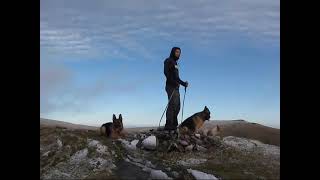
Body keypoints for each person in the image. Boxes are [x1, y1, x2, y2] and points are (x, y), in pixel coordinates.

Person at [163, 47, 188, 131]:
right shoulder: (168, 60)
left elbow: (177, 78)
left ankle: (174, 123)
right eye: (177, 52)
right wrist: (173, 82)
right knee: (172, 105)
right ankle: (169, 124)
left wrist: (183, 83)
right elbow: (166, 72)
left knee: (177, 106)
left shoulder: (176, 63)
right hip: (170, 86)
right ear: (173, 52)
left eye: (179, 52)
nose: (178, 54)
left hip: (176, 87)